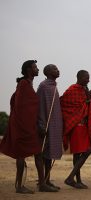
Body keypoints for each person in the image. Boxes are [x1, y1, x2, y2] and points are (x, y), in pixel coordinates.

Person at [0, 60, 57, 193]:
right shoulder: (23, 84)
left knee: (38, 153)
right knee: (21, 155)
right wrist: (31, 126)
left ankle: (42, 184)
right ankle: (19, 186)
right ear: (28, 70)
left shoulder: (28, 84)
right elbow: (20, 108)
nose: (37, 69)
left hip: (29, 126)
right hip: (22, 126)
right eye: (35, 67)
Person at [61, 70, 91, 189]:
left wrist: (87, 100)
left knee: (78, 155)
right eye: (86, 78)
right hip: (76, 125)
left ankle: (76, 180)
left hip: (84, 126)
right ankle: (71, 178)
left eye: (89, 78)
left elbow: (87, 105)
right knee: (86, 151)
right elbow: (64, 103)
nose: (88, 80)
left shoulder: (84, 90)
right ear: (79, 77)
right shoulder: (72, 89)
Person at [37, 64, 63, 190]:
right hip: (46, 124)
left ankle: (47, 179)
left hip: (54, 124)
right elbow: (40, 106)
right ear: (47, 72)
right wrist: (41, 124)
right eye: (54, 69)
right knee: (43, 153)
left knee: (49, 154)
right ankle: (42, 182)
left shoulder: (54, 86)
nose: (57, 70)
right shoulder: (43, 86)